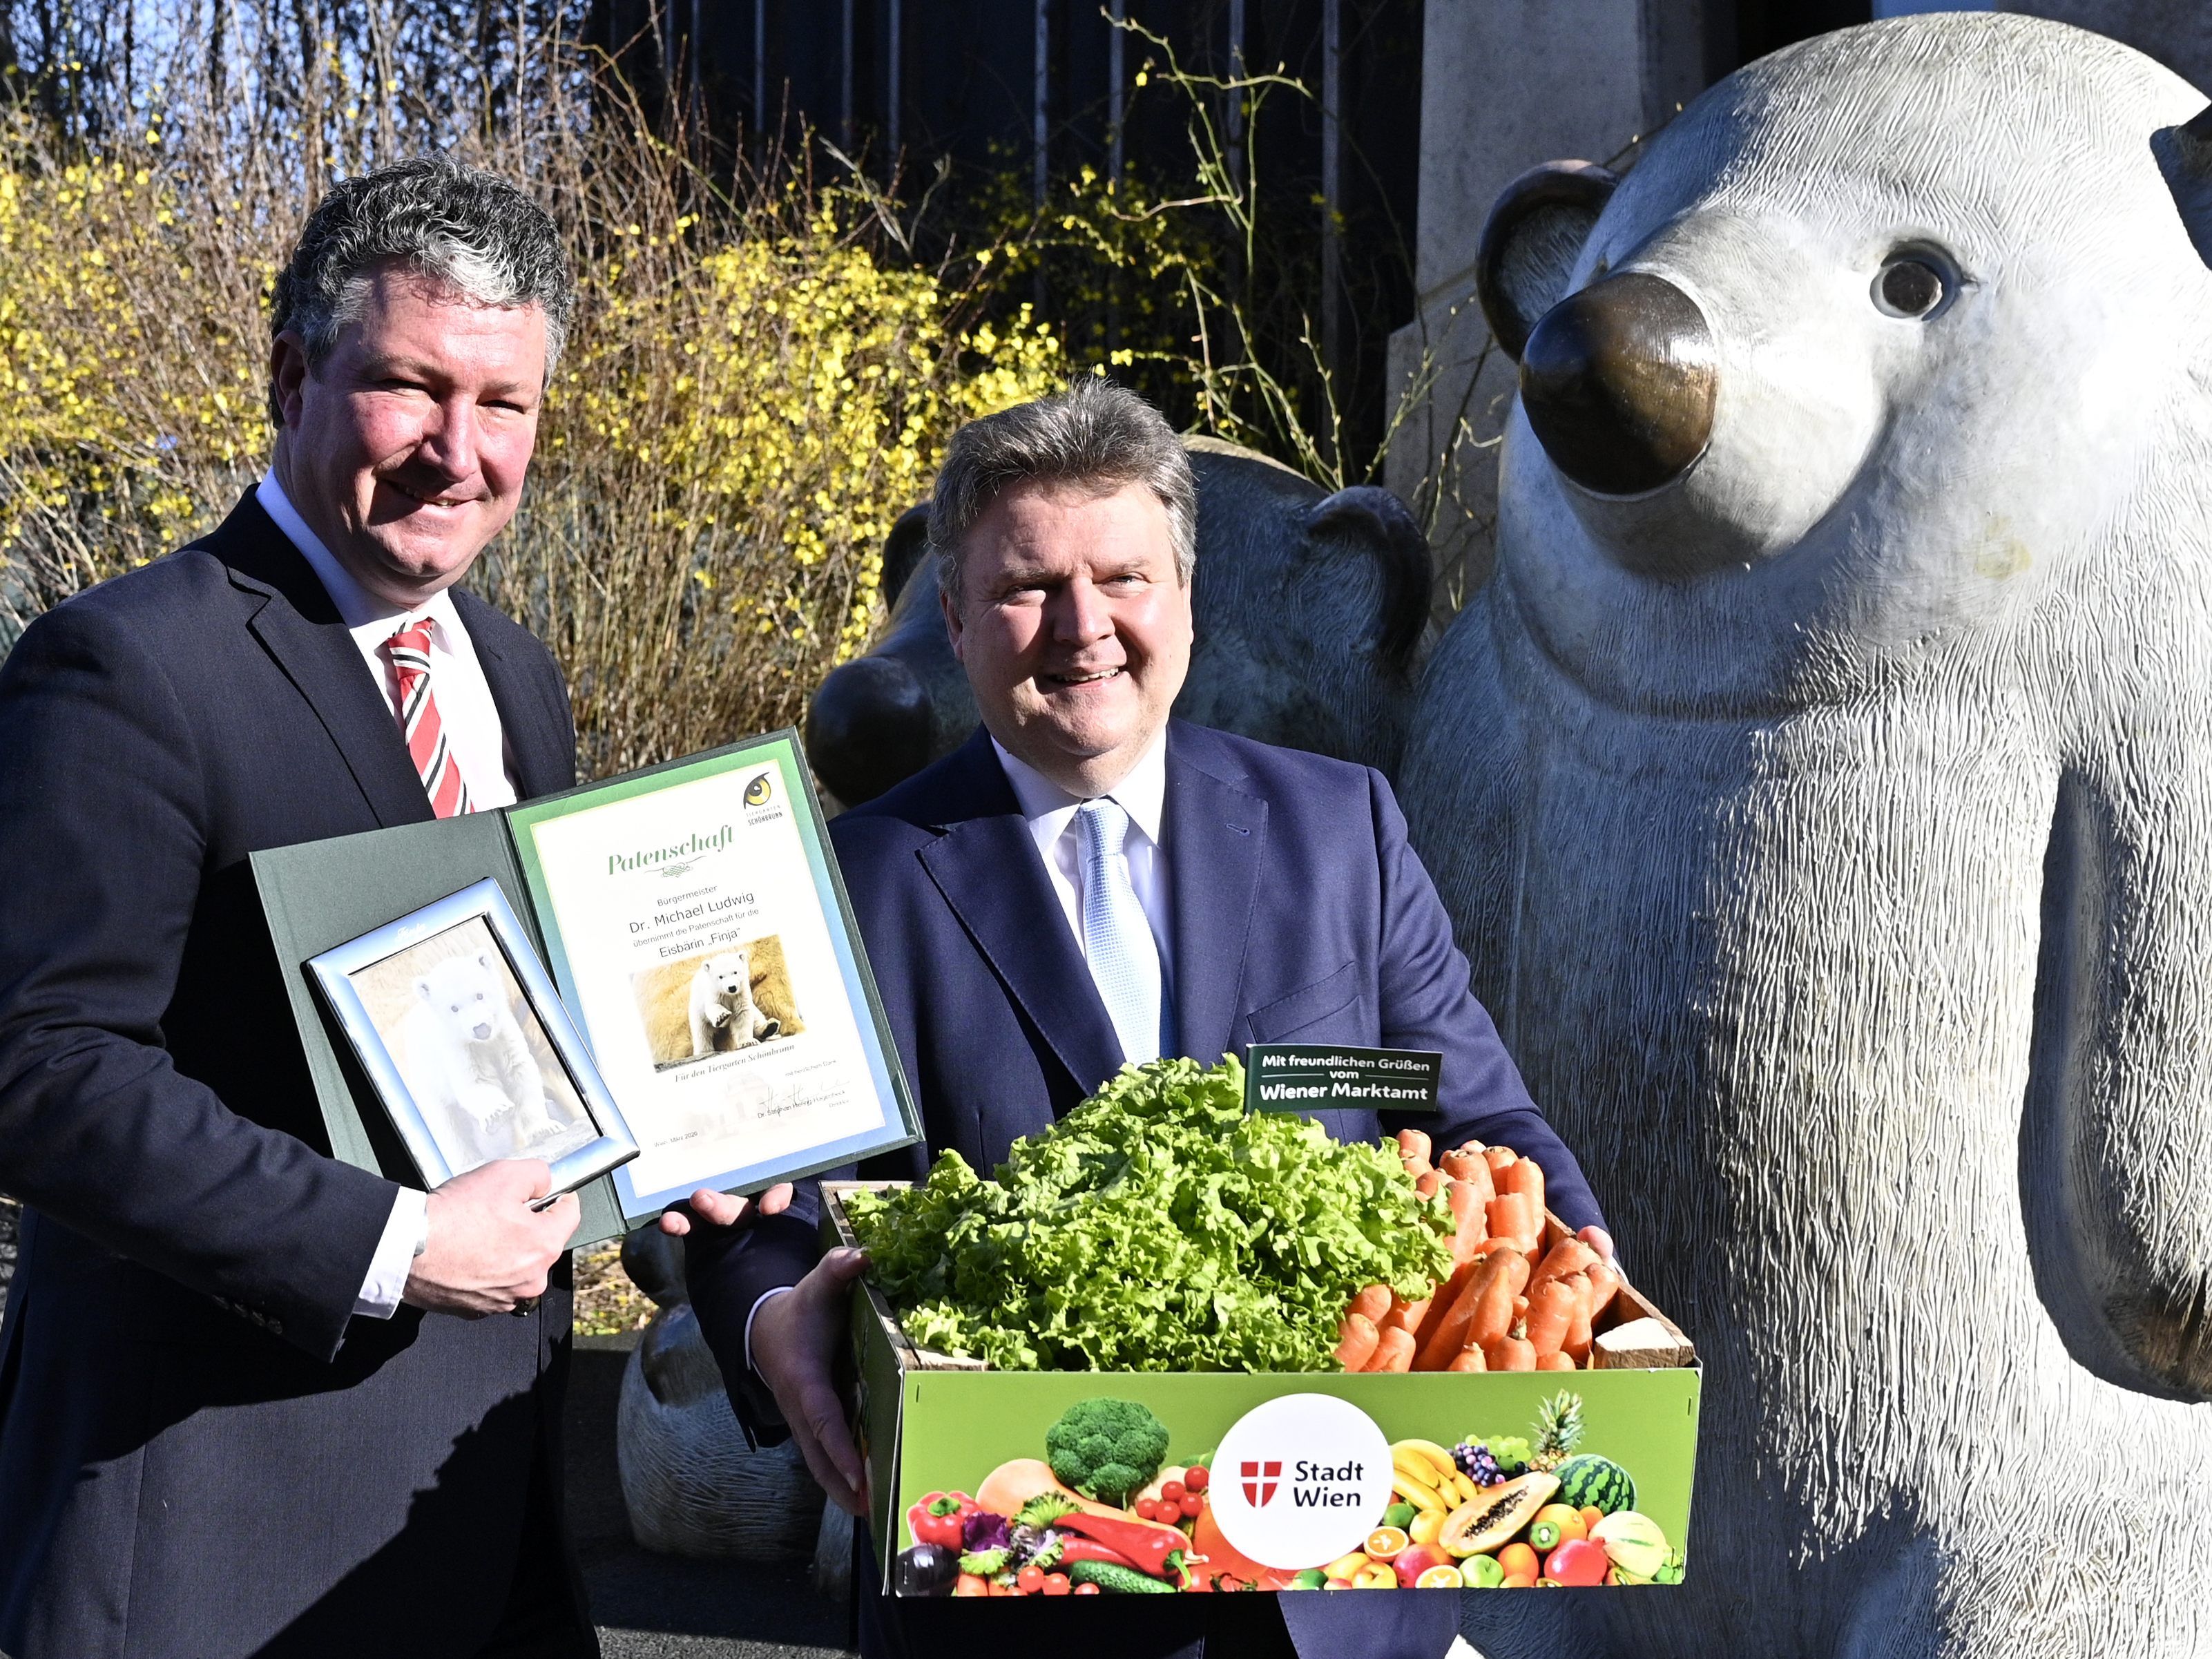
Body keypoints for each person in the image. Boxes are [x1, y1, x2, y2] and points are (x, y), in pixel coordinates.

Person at [673, 379, 1614, 1659]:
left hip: (1343, 1582)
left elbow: (1480, 1114)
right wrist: (768, 1315)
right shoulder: (838, 879)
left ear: (1183, 595)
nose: (1083, 626)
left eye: (1123, 575)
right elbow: (747, 1206)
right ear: (951, 615)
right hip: (1012, 1592)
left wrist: (1583, 1267)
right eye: (1026, 586)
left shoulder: (1346, 827)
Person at [0, 157, 677, 1658]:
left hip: (483, 1519)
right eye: (409, 387)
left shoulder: (513, 677)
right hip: (219, 1534)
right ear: (293, 376)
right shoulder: (123, 671)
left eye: (504, 403)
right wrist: (386, 1243)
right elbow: (43, 1068)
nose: (459, 448)